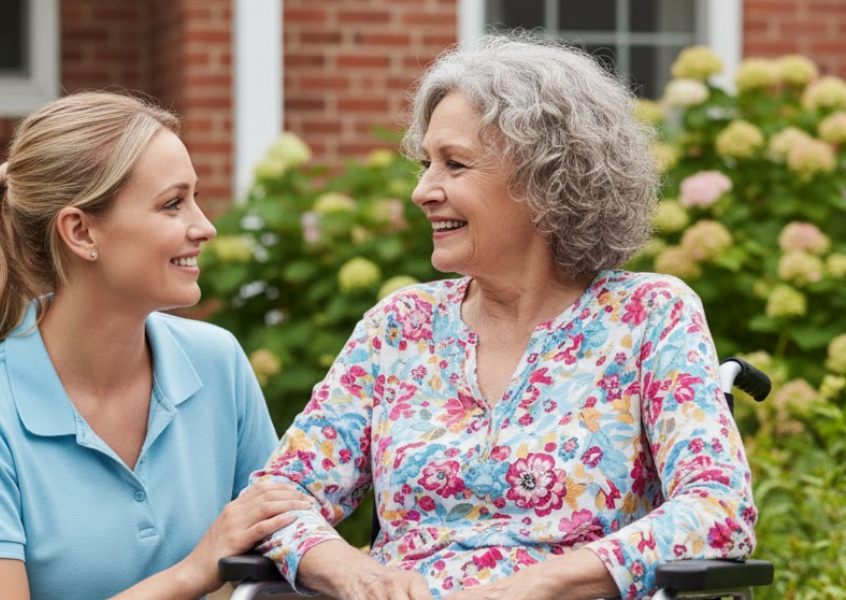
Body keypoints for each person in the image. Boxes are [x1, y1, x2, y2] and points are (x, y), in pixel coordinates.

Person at [250, 34, 757, 600]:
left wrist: (531, 588)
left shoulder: (647, 316)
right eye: (425, 164)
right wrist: (352, 572)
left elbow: (718, 506)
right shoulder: (399, 327)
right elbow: (279, 493)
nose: (423, 190)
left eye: (454, 165)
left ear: (546, 177)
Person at [0, 90, 311, 600]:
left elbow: (284, 540)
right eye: (173, 204)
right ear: (81, 232)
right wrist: (192, 573)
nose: (205, 226)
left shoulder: (217, 363)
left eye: (195, 198)